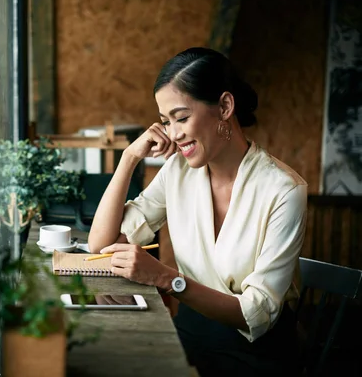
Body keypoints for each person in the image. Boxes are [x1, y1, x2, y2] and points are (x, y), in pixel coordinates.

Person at [87, 47, 307, 376]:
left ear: (224, 106)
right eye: (165, 122)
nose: (173, 134)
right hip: (188, 336)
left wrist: (164, 277)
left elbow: (256, 315)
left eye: (182, 117)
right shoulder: (178, 171)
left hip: (255, 355)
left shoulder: (284, 190)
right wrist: (129, 158)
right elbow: (100, 245)